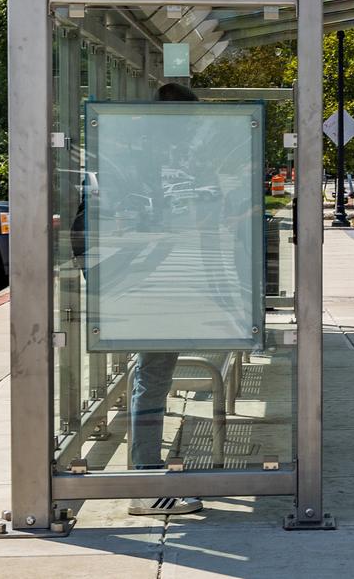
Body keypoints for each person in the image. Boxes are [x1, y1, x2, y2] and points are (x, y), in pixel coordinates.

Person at [128, 81, 204, 518]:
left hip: (156, 276)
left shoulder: (146, 154)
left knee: (154, 371)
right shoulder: (147, 159)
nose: (191, 131)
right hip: (150, 279)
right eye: (188, 123)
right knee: (153, 373)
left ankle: (148, 471)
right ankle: (146, 479)